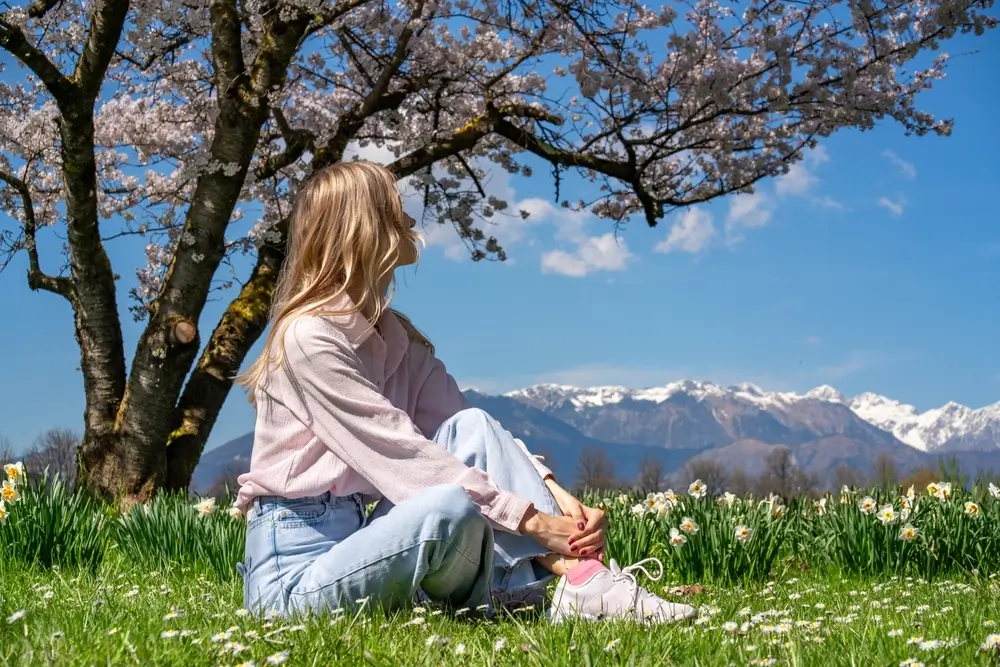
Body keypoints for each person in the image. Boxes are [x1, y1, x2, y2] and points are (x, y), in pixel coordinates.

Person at [233, 161, 696, 623]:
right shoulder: (308, 339)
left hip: (361, 542)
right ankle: (572, 582)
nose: (411, 220)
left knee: (469, 428)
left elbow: (475, 437)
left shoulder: (397, 340)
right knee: (446, 504)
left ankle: (579, 581)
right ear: (362, 224)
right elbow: (402, 454)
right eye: (395, 208)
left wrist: (557, 498)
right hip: (294, 581)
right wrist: (534, 522)